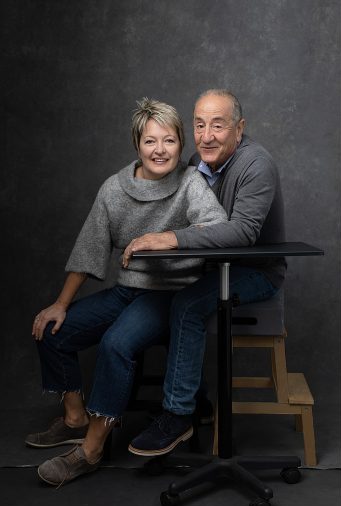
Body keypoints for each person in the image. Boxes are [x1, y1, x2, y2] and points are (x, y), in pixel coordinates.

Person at [28, 98, 227, 486]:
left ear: (181, 143)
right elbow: (89, 250)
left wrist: (166, 239)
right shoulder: (114, 190)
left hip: (170, 294)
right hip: (127, 291)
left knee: (116, 344)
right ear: (137, 144)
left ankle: (91, 450)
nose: (160, 150)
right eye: (150, 141)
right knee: (54, 331)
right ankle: (75, 418)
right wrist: (60, 304)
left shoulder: (191, 183)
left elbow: (218, 228)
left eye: (169, 141)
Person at [121, 89, 286, 456]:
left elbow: (243, 232)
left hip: (256, 272)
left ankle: (178, 416)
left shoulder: (256, 164)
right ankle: (197, 404)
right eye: (199, 125)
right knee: (162, 300)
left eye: (218, 125)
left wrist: (170, 238)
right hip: (211, 270)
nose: (206, 135)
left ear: (239, 128)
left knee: (187, 306)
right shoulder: (199, 161)